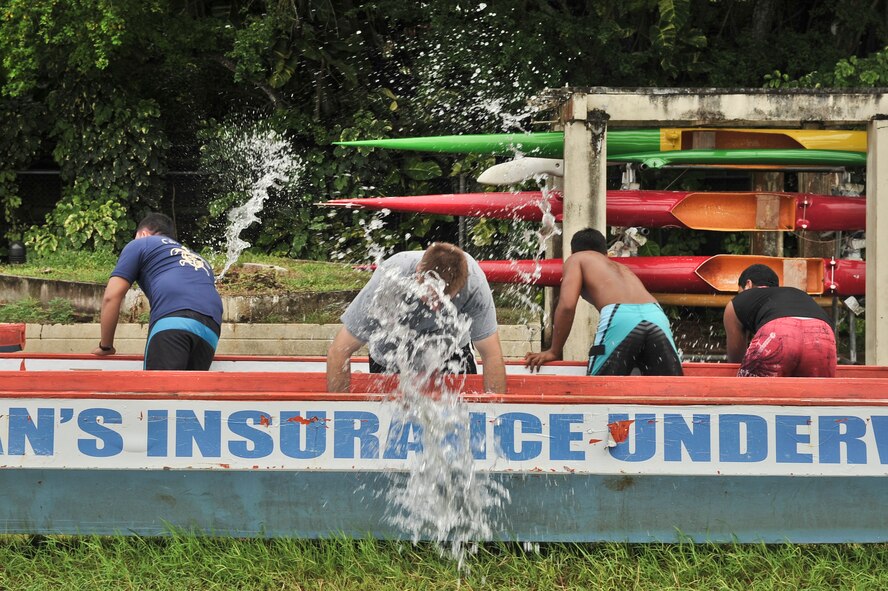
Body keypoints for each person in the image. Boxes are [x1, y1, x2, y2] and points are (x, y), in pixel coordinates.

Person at [327, 242, 507, 393]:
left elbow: (491, 356)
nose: (435, 307)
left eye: (445, 301)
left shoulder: (474, 284)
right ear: (418, 271)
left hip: (451, 350)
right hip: (392, 354)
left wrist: (497, 418)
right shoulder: (390, 278)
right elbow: (339, 351)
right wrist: (341, 416)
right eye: (431, 296)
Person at [524, 228, 683, 376]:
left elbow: (567, 306)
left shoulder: (576, 258)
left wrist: (554, 351)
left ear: (572, 251)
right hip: (656, 315)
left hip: (620, 316)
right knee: (670, 388)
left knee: (599, 388)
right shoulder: (620, 267)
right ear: (606, 253)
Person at [93, 212, 223, 370]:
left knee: (159, 386)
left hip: (174, 320)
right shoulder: (198, 259)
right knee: (189, 386)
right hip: (211, 328)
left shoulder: (142, 243)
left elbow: (111, 297)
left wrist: (106, 346)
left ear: (143, 234)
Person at [723, 264, 836, 377]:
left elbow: (735, 360)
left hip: (778, 333)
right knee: (816, 388)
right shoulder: (795, 294)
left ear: (748, 284)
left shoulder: (741, 299)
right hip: (822, 335)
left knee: (745, 386)